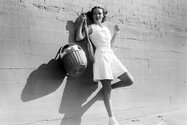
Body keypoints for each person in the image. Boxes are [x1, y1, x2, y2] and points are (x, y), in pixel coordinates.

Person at [76, 6, 134, 125]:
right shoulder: (91, 27)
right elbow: (78, 37)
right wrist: (82, 22)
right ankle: (111, 119)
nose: (98, 16)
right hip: (101, 57)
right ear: (92, 16)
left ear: (103, 15)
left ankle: (106, 90)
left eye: (100, 14)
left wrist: (116, 33)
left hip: (110, 55)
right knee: (106, 88)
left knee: (129, 80)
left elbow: (109, 45)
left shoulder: (106, 29)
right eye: (95, 14)